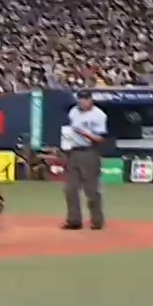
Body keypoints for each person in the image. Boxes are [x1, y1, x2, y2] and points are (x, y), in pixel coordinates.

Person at [60, 90, 107, 230]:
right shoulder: (73, 111)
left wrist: (84, 133)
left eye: (84, 99)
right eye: (79, 99)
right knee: (70, 188)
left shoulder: (99, 115)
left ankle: (97, 220)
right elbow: (69, 130)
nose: (81, 102)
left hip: (89, 152)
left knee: (91, 189)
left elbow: (100, 138)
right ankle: (74, 220)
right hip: (73, 152)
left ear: (90, 100)